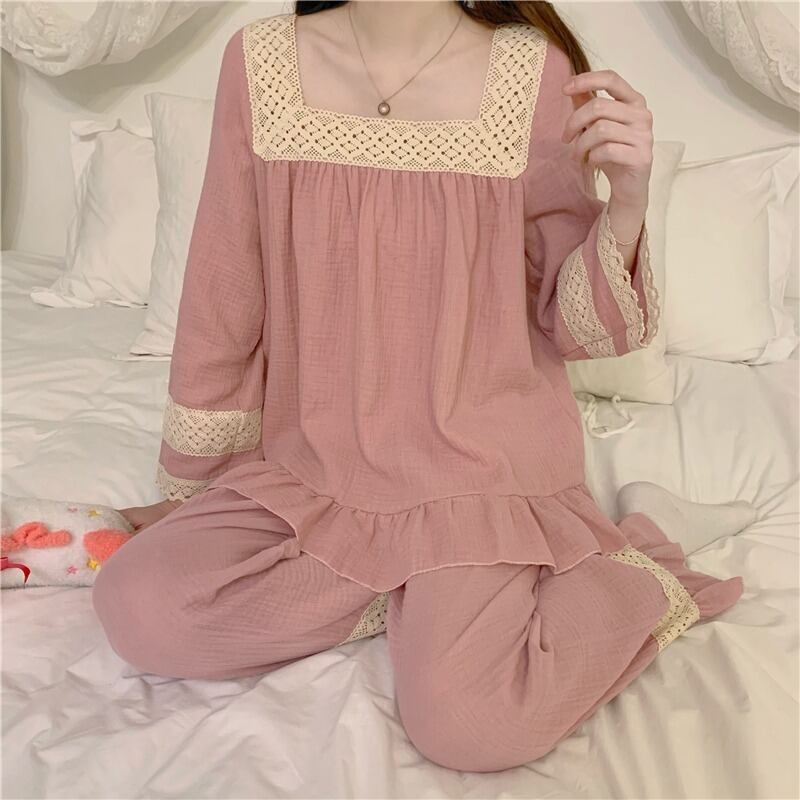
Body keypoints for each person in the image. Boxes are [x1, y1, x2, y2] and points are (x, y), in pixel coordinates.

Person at [93, 1, 752, 773]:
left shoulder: (532, 74)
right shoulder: (259, 62)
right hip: (317, 468)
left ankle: (643, 549)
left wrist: (629, 201)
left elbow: (580, 332)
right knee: (140, 608)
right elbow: (224, 292)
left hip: (478, 470)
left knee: (471, 726)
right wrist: (193, 489)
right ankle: (403, 589)